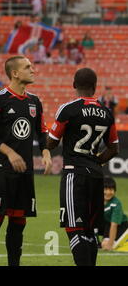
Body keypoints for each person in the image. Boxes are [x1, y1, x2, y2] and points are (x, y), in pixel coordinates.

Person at [0, 55, 52, 266]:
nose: (33, 70)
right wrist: (10, 153)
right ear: (15, 73)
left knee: (18, 224)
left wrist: (46, 152)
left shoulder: (34, 101)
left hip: (25, 172)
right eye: (28, 67)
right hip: (1, 170)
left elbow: (41, 132)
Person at [47, 68, 119, 266]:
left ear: (73, 85)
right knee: (89, 231)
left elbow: (52, 142)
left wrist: (45, 135)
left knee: (74, 229)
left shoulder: (68, 109)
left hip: (74, 174)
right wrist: (96, 161)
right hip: (96, 176)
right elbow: (114, 148)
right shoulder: (106, 112)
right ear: (95, 87)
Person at [102, 177, 128, 251]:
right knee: (104, 245)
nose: (108, 192)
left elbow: (114, 225)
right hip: (108, 225)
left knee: (111, 246)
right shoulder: (97, 201)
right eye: (105, 189)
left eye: (111, 189)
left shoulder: (116, 204)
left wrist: (110, 245)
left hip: (122, 226)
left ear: (115, 191)